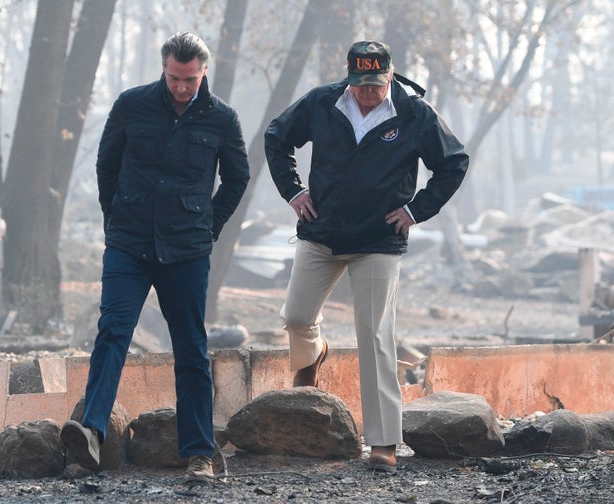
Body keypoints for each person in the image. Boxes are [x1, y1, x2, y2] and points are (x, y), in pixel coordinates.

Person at [264, 40, 468, 471]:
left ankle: (382, 442)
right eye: (361, 85)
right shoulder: (322, 103)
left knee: (375, 338)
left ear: (390, 77)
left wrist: (416, 210)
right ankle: (312, 355)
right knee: (297, 316)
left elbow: (453, 162)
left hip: (378, 240)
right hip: (321, 231)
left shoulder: (414, 114)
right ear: (349, 78)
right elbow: (276, 138)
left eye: (376, 85)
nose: (368, 93)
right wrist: (293, 191)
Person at [60, 32, 250, 482]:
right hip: (129, 244)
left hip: (186, 249)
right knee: (112, 332)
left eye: (188, 79)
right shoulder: (132, 104)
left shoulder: (222, 118)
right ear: (163, 69)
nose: (180, 87)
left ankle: (199, 453)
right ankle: (91, 432)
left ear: (203, 71)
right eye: (173, 77)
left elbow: (237, 179)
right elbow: (106, 165)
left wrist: (208, 225)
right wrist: (117, 217)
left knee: (190, 348)